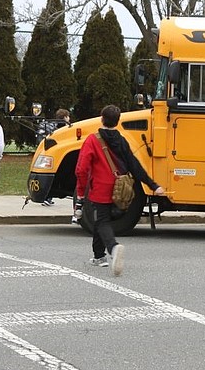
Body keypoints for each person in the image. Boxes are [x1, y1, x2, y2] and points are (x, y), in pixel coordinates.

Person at [75, 104, 165, 276]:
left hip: (100, 187)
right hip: (121, 188)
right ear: (117, 122)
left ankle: (113, 247)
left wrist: (81, 191)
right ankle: (98, 256)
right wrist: (153, 185)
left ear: (102, 118)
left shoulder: (92, 140)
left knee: (101, 221)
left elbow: (81, 169)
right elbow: (134, 165)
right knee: (102, 219)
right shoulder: (122, 140)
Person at [41, 108, 71, 207]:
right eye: (68, 116)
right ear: (65, 117)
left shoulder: (52, 126)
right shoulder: (65, 127)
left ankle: (46, 197)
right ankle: (48, 197)